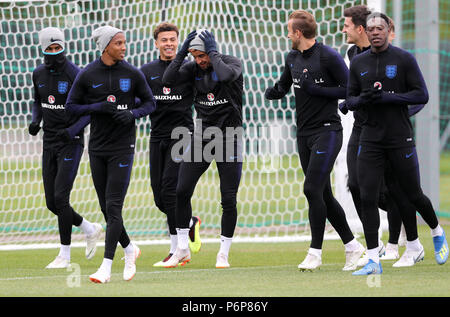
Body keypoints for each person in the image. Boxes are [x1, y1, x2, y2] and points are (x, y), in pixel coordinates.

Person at [346, 13, 448, 275]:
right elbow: (350, 101)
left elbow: (421, 94)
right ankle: (373, 260)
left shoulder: (404, 59)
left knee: (412, 193)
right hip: (370, 138)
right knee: (367, 195)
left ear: (389, 30)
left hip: (399, 138)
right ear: (365, 33)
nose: (375, 32)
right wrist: (363, 99)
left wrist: (390, 97)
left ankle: (437, 231)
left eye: (380, 28)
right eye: (371, 29)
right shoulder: (358, 63)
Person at [265, 10, 365, 272]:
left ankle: (315, 253)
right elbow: (284, 85)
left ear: (298, 33)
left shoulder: (328, 56)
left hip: (328, 131)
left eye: (289, 30)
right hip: (304, 134)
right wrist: (274, 92)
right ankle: (353, 247)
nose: (287, 34)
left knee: (311, 189)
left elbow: (349, 89)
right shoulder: (292, 57)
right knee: (322, 193)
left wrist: (318, 90)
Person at [66, 25, 157, 283]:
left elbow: (150, 103)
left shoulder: (132, 73)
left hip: (123, 147)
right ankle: (129, 249)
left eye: (124, 42)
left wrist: (131, 114)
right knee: (107, 209)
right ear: (106, 46)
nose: (123, 47)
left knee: (114, 206)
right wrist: (99, 107)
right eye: (118, 43)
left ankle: (106, 267)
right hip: (97, 148)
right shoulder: (87, 74)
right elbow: (72, 107)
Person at [161, 29, 243, 268]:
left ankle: (223, 254)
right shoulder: (191, 68)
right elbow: (167, 80)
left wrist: (213, 52)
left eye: (202, 55)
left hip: (229, 136)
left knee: (228, 198)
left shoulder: (230, 62)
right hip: (202, 137)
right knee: (181, 191)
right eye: (195, 56)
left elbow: (226, 76)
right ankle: (182, 249)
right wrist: (182, 53)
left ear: (211, 50)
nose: (200, 61)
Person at [29, 27, 102, 269]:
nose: (54, 52)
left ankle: (65, 255)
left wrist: (73, 130)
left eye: (57, 47)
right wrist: (34, 120)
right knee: (52, 203)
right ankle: (89, 228)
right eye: (49, 49)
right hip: (49, 142)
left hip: (71, 142)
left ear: (64, 46)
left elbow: (91, 110)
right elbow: (38, 102)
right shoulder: (38, 73)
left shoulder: (76, 75)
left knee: (61, 197)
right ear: (42, 49)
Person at [140, 22, 202, 267]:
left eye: (172, 39)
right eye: (163, 40)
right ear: (156, 43)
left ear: (178, 42)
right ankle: (188, 223)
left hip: (182, 134)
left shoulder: (189, 69)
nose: (168, 44)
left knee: (170, 189)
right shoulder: (146, 71)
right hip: (157, 136)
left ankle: (177, 249)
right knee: (159, 197)